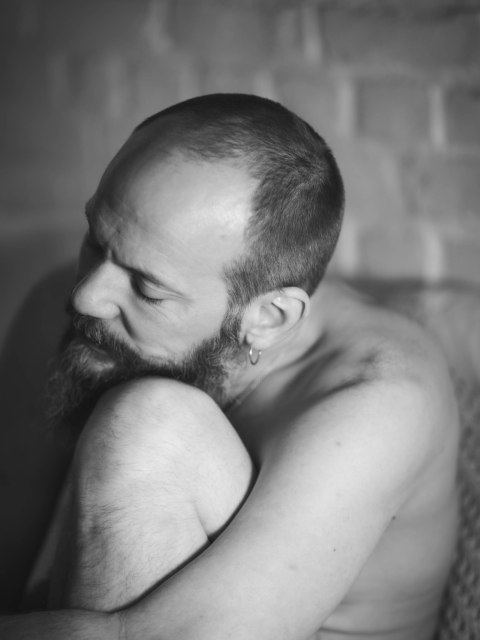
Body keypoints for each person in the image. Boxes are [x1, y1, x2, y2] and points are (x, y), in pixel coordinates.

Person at [0, 93, 459, 640]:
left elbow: (142, 637)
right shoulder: (76, 305)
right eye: (96, 241)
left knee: (152, 426)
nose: (87, 297)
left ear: (267, 318)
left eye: (148, 289)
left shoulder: (377, 402)